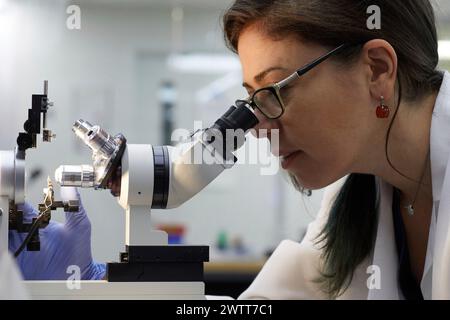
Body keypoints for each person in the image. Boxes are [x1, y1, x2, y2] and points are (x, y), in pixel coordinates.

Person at [223, 0, 449, 299]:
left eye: (276, 90)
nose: (258, 128)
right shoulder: (360, 194)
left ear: (377, 69)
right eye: (253, 100)